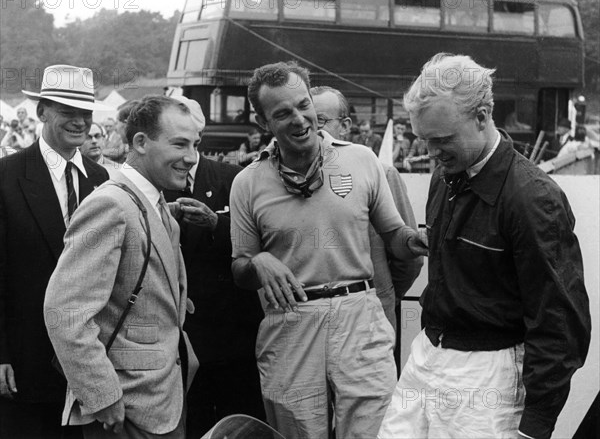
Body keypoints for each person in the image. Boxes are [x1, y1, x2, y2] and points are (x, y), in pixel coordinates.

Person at [378, 53, 591, 439]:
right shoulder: (445, 176)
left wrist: (535, 425)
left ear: (482, 115)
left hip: (488, 375)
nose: (432, 153)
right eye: (424, 139)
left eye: (443, 140)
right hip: (426, 355)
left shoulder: (533, 199)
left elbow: (559, 322)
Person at [230, 61, 427, 439]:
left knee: (374, 432)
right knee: (297, 433)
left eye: (304, 105)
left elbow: (395, 236)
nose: (300, 119)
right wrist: (258, 262)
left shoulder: (361, 160)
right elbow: (239, 268)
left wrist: (415, 241)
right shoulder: (247, 182)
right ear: (263, 123)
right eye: (282, 113)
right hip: (291, 322)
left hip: (361, 317)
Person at [44, 95, 200, 438]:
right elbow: (66, 311)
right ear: (140, 143)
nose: (191, 157)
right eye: (179, 144)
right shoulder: (110, 205)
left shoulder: (156, 206)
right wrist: (102, 395)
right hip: (125, 407)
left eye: (195, 144)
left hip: (162, 398)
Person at [0, 65, 110, 439]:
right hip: (26, 359)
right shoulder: (6, 176)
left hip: (91, 362)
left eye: (85, 113)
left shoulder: (102, 179)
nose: (79, 122)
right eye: (68, 112)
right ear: (41, 112)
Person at [165, 97, 265, 438]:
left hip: (231, 337)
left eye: (189, 138)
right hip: (177, 341)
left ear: (201, 133)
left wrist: (215, 225)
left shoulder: (232, 178)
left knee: (238, 423)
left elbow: (255, 246)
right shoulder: (149, 185)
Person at [311, 85, 423, 335]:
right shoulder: (290, 181)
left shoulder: (382, 174)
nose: (311, 129)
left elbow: (410, 258)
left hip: (372, 327)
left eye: (320, 121)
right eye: (306, 120)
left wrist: (382, 295)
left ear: (346, 125)